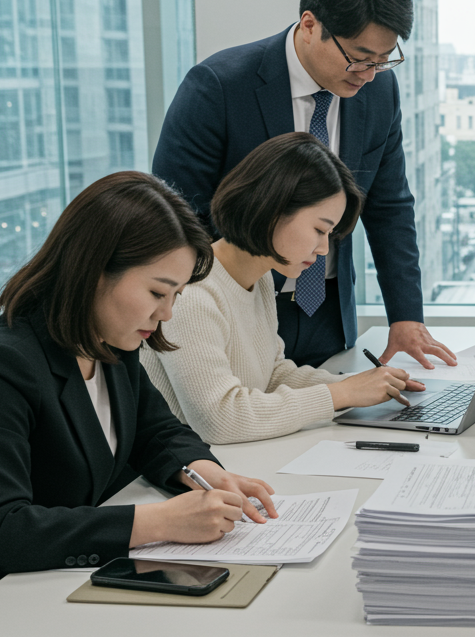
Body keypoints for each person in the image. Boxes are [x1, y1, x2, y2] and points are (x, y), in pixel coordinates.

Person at [0, 172, 277, 621]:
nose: (167, 313)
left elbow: (156, 432)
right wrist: (161, 521)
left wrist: (203, 473)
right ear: (95, 270)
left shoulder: (110, 340)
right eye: (158, 292)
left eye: (176, 294)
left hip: (50, 589)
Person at [152, 0, 454, 370]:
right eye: (359, 57)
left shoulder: (379, 93)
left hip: (327, 311)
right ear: (310, 25)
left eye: (383, 61)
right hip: (235, 310)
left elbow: (389, 207)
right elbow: (178, 217)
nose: (368, 74)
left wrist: (405, 317)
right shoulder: (220, 87)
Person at [142, 133, 421, 444]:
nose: (323, 249)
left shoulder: (258, 278)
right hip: (185, 478)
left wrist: (365, 385)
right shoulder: (192, 293)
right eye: (319, 229)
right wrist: (339, 394)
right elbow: (220, 419)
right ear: (272, 208)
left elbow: (271, 376)